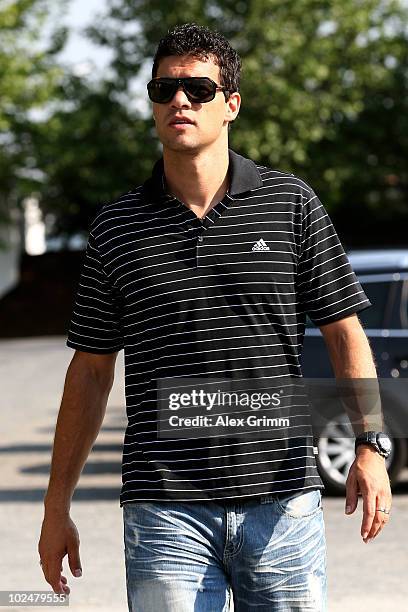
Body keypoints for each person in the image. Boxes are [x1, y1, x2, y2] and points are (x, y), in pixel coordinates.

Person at [38, 22, 392, 611]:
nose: (180, 100)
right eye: (164, 89)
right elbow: (91, 373)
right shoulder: (118, 228)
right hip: (163, 510)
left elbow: (344, 331)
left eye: (199, 89)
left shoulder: (291, 204)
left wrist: (371, 446)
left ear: (230, 105)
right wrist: (56, 509)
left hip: (283, 503)